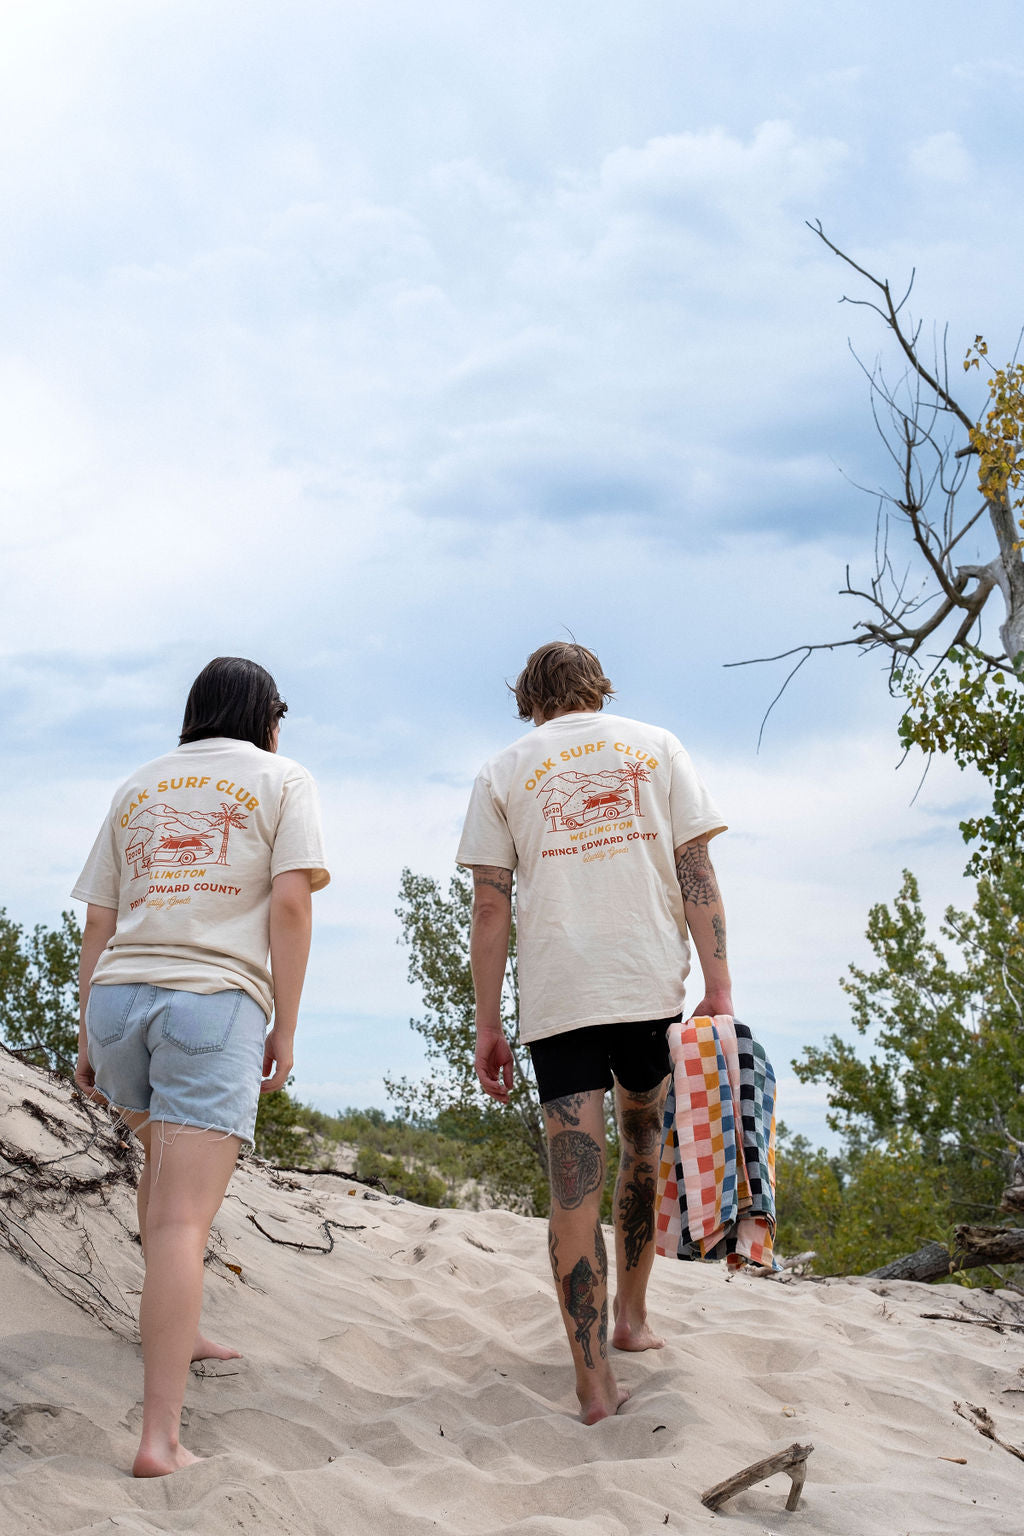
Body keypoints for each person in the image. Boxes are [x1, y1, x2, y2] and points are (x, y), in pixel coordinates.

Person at [456, 641, 731, 1423]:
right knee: (644, 1147)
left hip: (559, 993)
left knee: (573, 1180)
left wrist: (488, 1024)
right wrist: (718, 984)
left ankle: (591, 1383)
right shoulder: (658, 746)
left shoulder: (503, 770)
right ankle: (633, 1322)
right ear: (596, 689)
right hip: (649, 983)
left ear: (531, 699)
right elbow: (697, 874)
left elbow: (489, 906)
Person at [73, 656, 329, 1477]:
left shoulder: (138, 784)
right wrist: (284, 1023)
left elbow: (99, 920)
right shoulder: (283, 778)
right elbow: (290, 904)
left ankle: (182, 1333)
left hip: (118, 1004)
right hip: (209, 1004)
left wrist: (85, 1032)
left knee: (162, 1178)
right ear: (266, 715)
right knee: (185, 1218)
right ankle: (160, 1440)